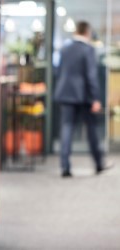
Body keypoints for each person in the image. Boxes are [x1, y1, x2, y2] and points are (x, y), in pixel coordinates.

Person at [54, 21, 110, 177]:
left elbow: (58, 72)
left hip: (65, 94)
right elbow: (91, 76)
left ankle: (65, 167)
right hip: (84, 96)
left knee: (67, 128)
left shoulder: (64, 48)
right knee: (91, 129)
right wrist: (96, 98)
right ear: (87, 31)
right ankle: (98, 163)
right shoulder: (88, 49)